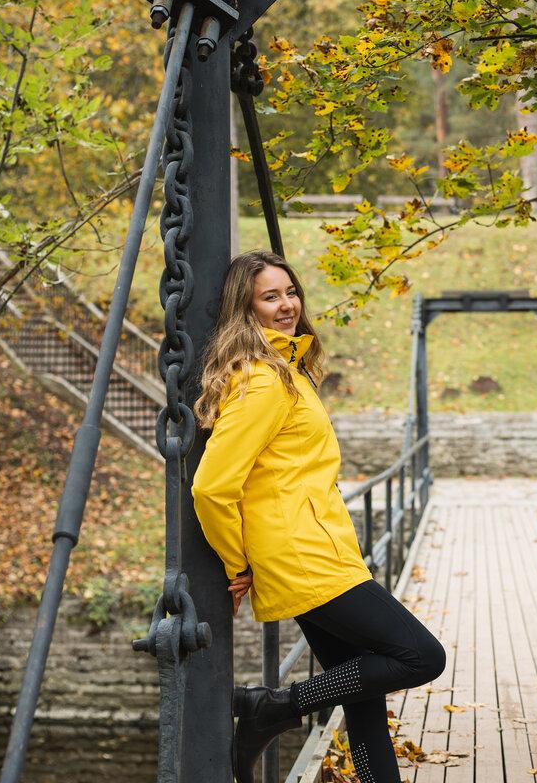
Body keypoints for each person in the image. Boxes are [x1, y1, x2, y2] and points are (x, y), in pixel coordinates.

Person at [189, 250, 445, 783]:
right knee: (421, 656)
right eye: (269, 297)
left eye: (290, 292)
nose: (286, 305)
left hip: (319, 545)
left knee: (364, 698)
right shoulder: (264, 381)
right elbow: (212, 486)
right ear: (247, 309)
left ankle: (280, 712)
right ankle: (275, 707)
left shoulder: (290, 369)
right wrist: (238, 563)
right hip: (302, 554)